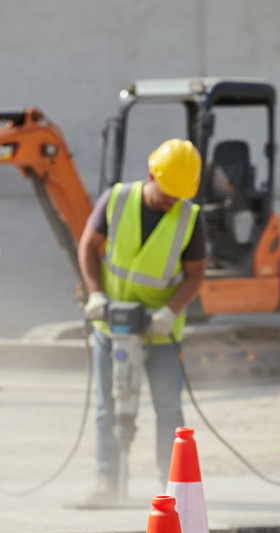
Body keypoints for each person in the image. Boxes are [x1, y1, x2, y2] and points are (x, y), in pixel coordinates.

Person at [78, 138, 207, 503]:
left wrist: (170, 312)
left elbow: (195, 274)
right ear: (151, 175)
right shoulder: (116, 200)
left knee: (169, 409)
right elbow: (88, 245)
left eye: (177, 197)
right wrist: (96, 294)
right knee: (109, 407)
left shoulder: (190, 218)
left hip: (160, 333)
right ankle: (109, 481)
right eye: (166, 194)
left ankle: (172, 489)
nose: (170, 203)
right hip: (111, 326)